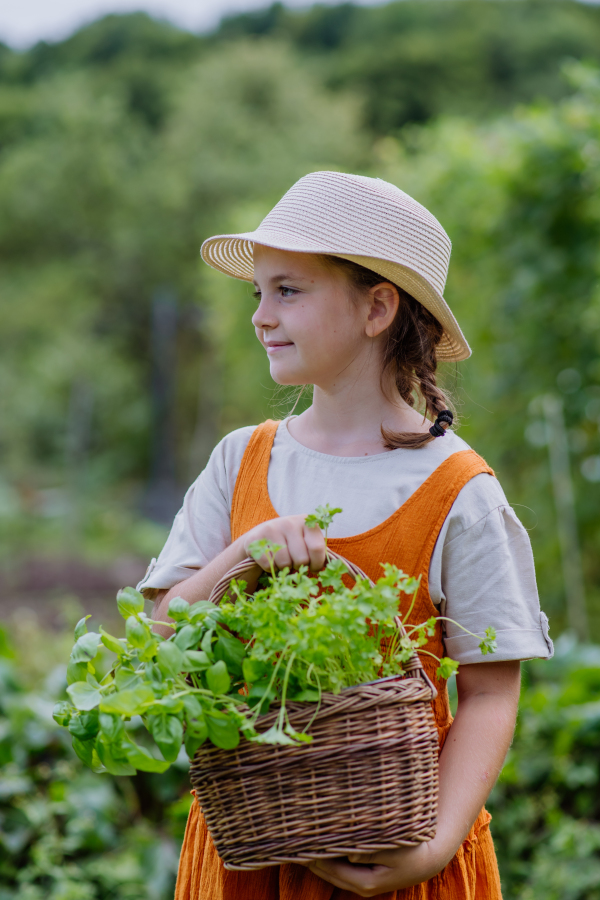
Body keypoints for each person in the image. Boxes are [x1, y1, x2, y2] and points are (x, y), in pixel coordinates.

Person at [139, 171, 553, 899]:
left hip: (401, 850)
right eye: (258, 293)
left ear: (378, 308)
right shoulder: (242, 461)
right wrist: (246, 552)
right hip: (249, 853)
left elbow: (491, 692)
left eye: (288, 291)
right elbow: (163, 633)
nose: (262, 316)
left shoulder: (460, 491)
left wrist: (433, 847)